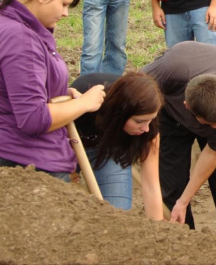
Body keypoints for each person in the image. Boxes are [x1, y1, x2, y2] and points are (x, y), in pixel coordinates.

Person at [0, 0, 106, 181]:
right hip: (26, 163)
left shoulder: (3, 22)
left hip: (12, 154)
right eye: (64, 4)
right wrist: (84, 104)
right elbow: (33, 118)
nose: (65, 13)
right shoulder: (20, 38)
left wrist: (63, 98)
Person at [142, 41, 216, 237]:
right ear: (187, 106)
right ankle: (183, 241)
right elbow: (131, 90)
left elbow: (214, 151)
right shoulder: (165, 73)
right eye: (209, 124)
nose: (214, 128)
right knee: (171, 185)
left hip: (215, 102)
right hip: (170, 115)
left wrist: (185, 200)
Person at [70, 71, 165, 218]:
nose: (146, 128)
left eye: (150, 120)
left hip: (110, 147)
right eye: (139, 121)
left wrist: (159, 231)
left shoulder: (148, 127)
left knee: (117, 217)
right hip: (68, 142)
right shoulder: (85, 97)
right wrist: (71, 170)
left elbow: (151, 186)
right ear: (120, 114)